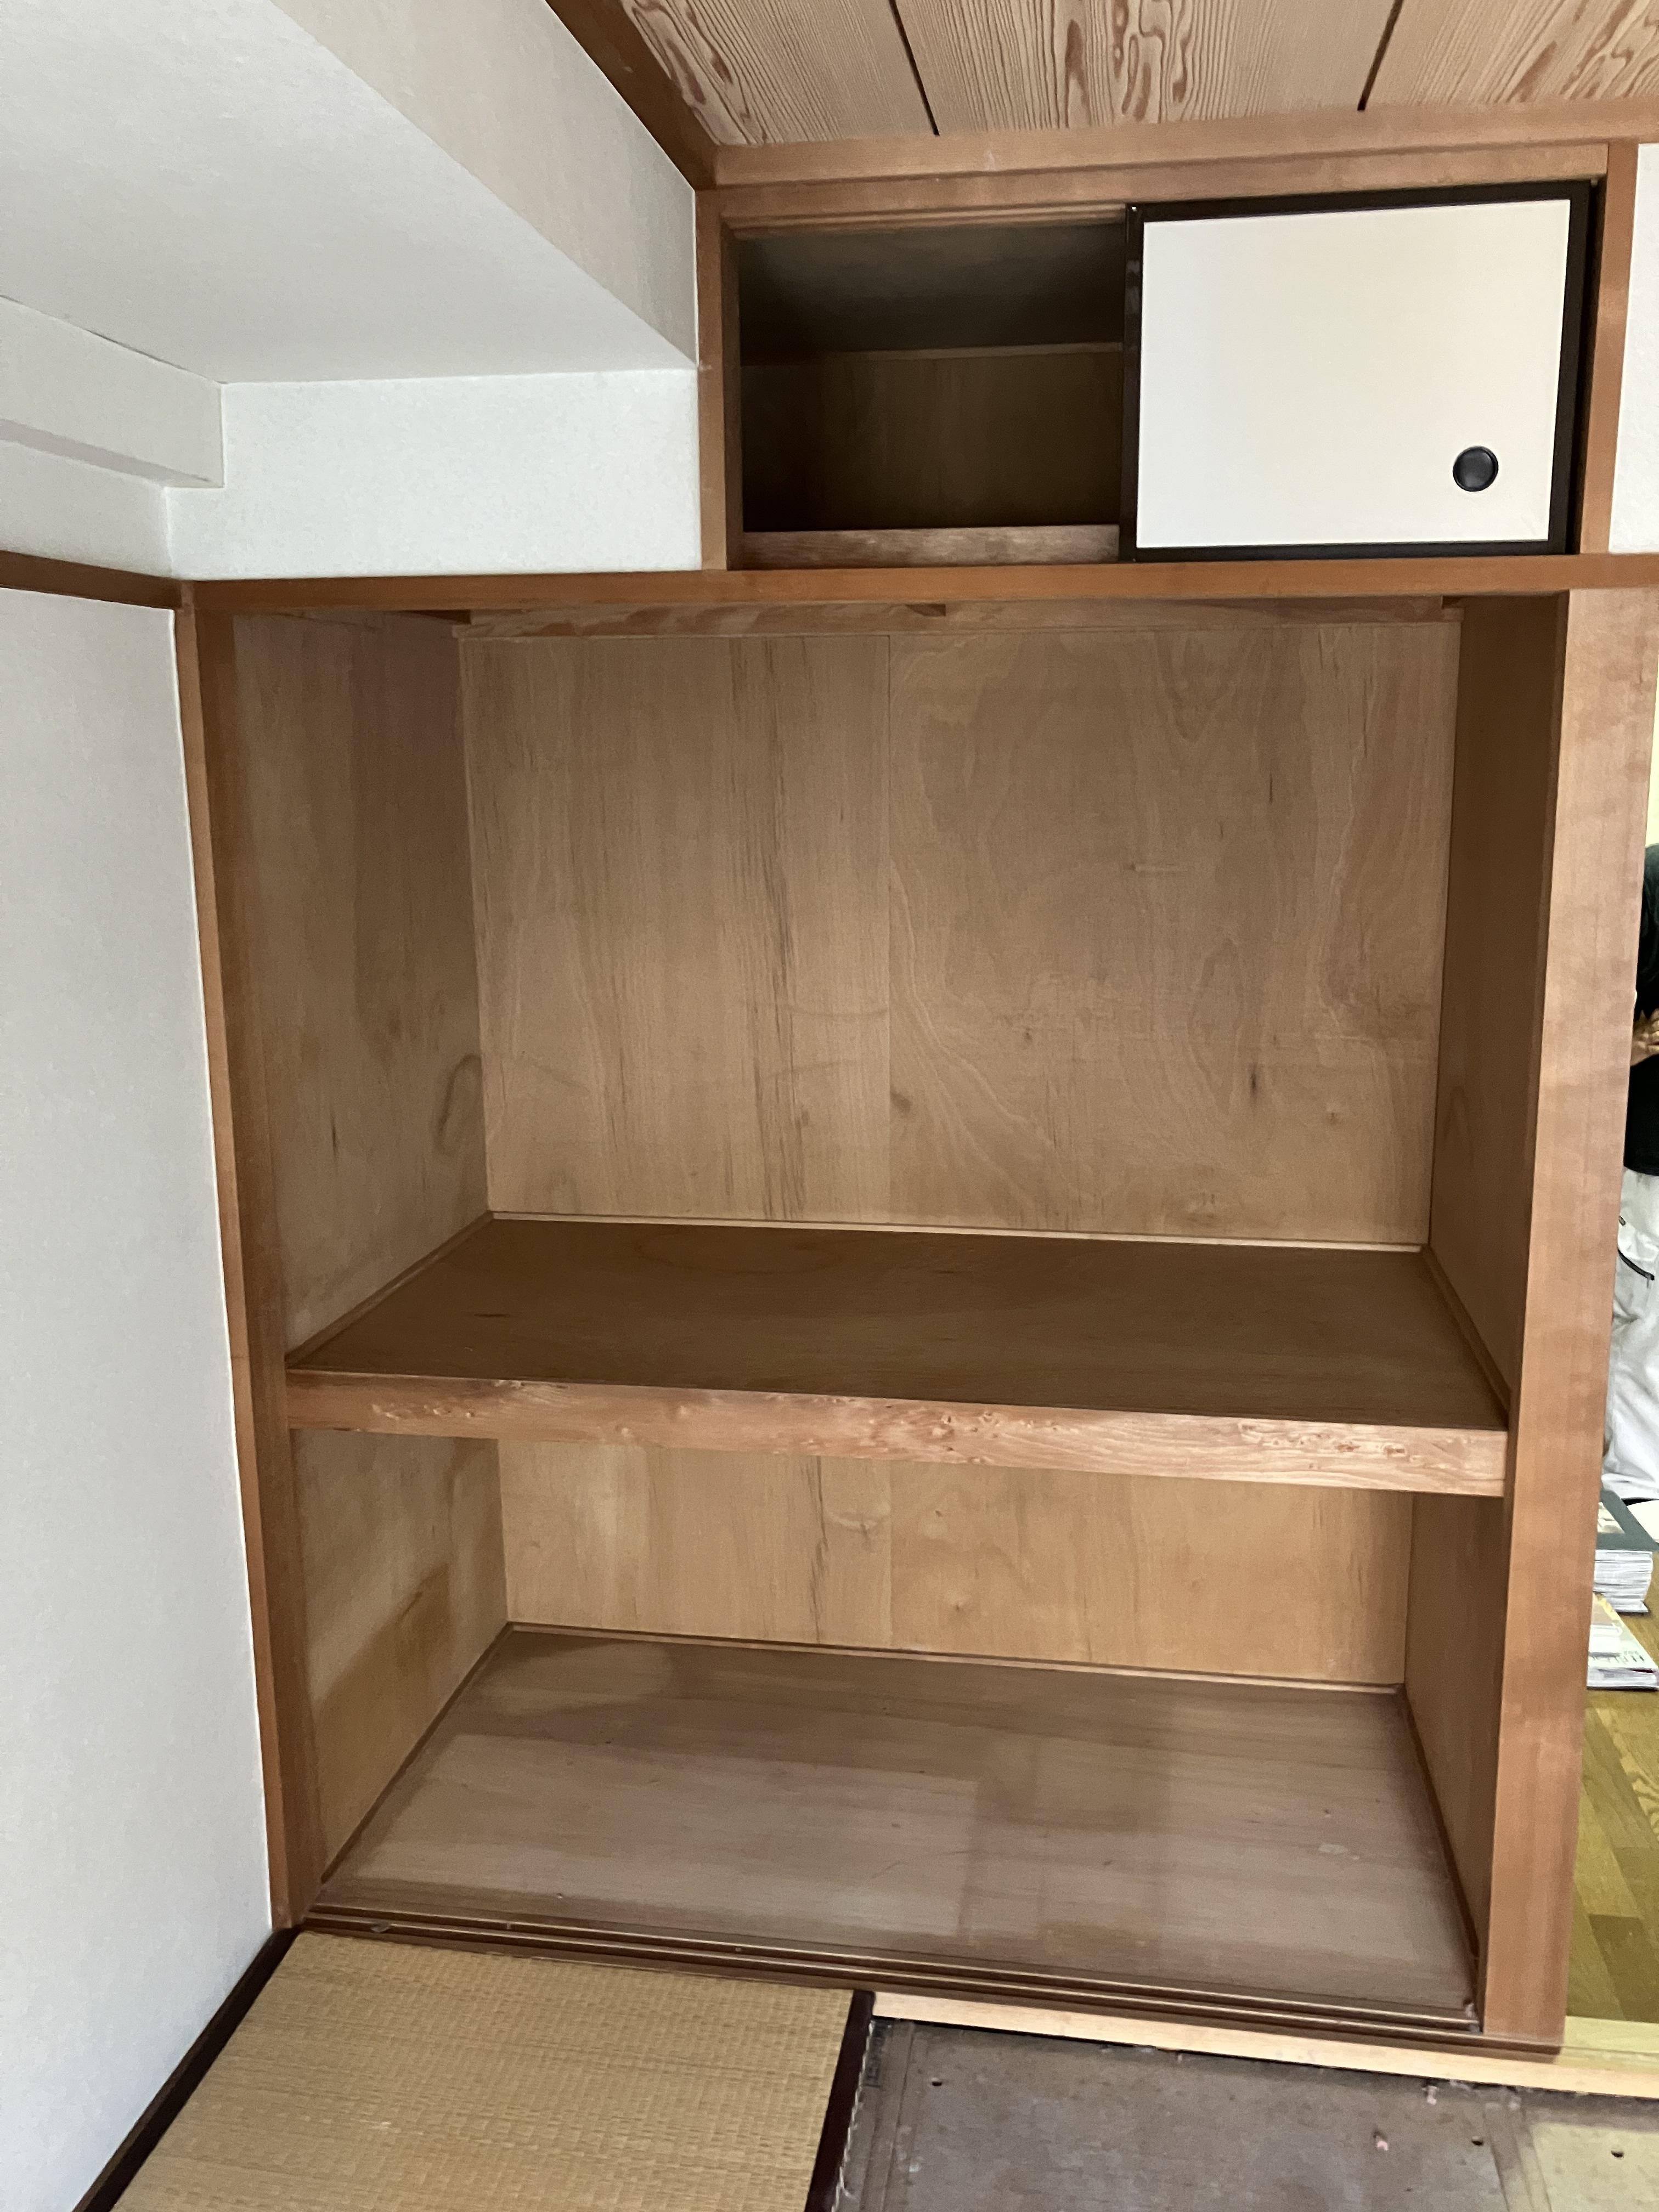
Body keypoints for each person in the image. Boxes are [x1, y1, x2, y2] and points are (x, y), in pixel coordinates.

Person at [1606, 845, 1659, 1505]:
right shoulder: (1647, 887)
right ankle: (1635, 1499)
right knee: (1646, 1333)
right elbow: (1572, 1016)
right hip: (1648, 1169)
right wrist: (1624, 1048)